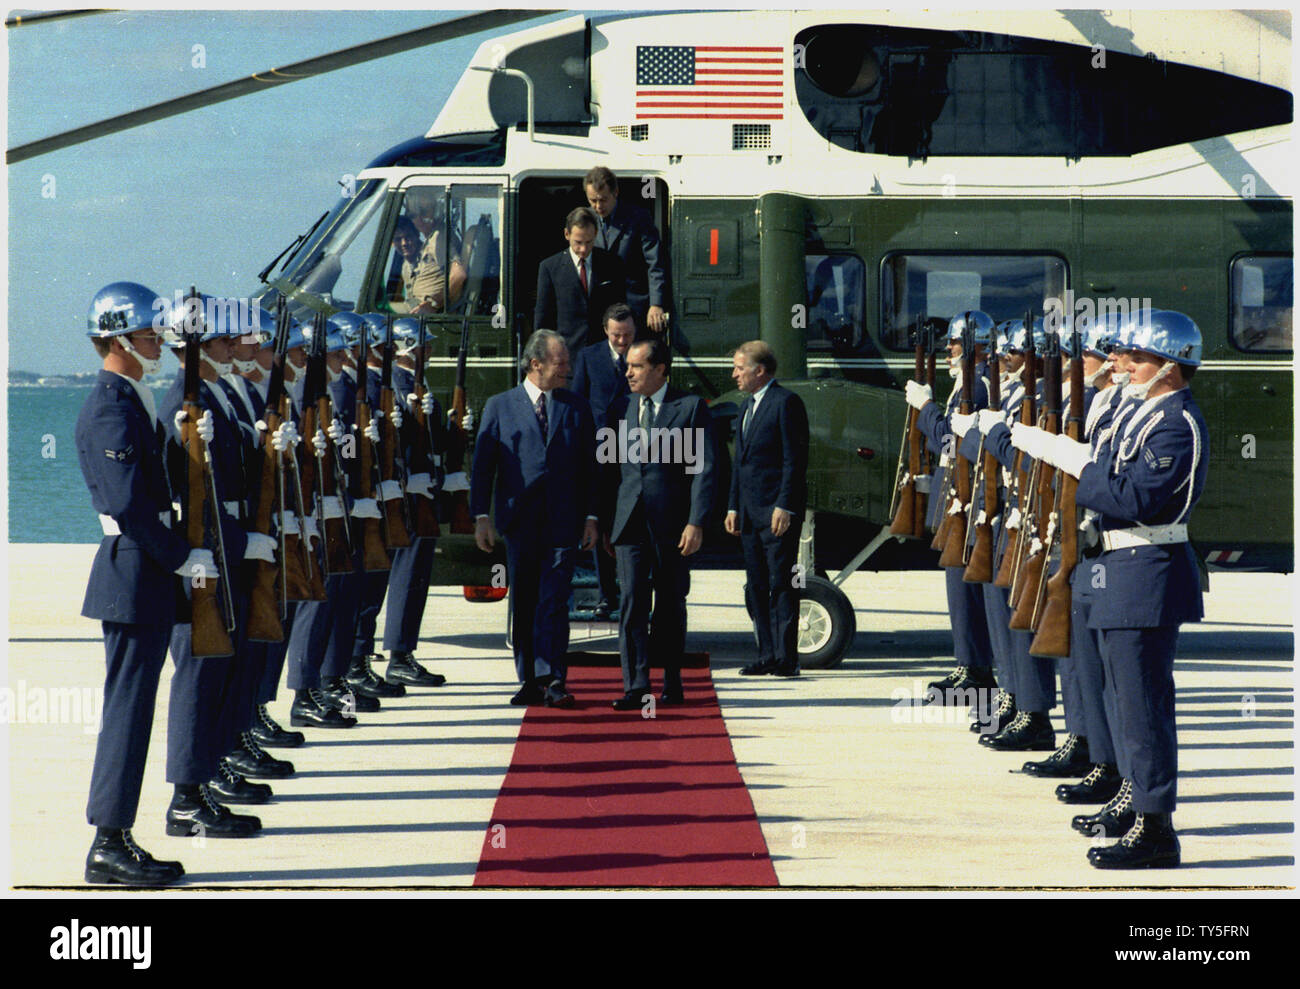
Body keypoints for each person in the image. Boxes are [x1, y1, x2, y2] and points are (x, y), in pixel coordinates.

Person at [1017, 308, 1208, 869]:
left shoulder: (1176, 423)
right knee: (1116, 698)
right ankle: (1135, 802)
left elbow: (1136, 499)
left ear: (1171, 368)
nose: (1128, 366)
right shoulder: (1143, 413)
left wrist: (1077, 465)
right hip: (1115, 566)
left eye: (1141, 358)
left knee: (1143, 706)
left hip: (1145, 569)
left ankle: (1156, 829)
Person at [77, 282, 192, 884]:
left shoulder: (133, 398)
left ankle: (117, 836)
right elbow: (127, 504)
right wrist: (180, 555)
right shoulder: (109, 404)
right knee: (127, 711)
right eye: (149, 336)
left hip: (142, 572)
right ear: (119, 337)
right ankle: (108, 843)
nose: (157, 345)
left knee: (136, 709)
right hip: (132, 570)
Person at [470, 330, 599, 708]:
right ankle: (528, 679)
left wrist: (591, 516)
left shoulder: (577, 407)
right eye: (561, 363)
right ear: (536, 363)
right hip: (519, 520)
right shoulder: (499, 405)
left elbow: (591, 468)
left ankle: (555, 678)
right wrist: (481, 516)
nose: (568, 370)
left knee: (556, 600)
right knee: (524, 600)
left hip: (563, 519)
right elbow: (483, 467)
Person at [604, 337, 716, 708]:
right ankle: (635, 685)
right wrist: (604, 520)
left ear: (660, 369)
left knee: (670, 603)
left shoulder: (690, 407)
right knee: (633, 601)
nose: (628, 372)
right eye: (628, 365)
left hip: (673, 525)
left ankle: (672, 679)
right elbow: (608, 470)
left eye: (636, 366)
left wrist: (696, 521)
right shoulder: (620, 407)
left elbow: (704, 468)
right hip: (629, 522)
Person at [907, 312, 998, 707]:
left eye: (956, 343)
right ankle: (969, 665)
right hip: (955, 489)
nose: (949, 349)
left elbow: (949, 442)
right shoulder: (967, 382)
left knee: (966, 587)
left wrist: (926, 408)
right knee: (958, 586)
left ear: (978, 347)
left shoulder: (976, 385)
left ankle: (977, 669)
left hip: (966, 492)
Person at [726, 340, 809, 677]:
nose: (734, 375)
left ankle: (786, 657)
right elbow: (739, 464)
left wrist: (785, 505)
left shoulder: (786, 403)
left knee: (782, 584)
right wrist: (732, 506)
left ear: (759, 371)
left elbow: (795, 460)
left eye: (739, 368)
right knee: (756, 586)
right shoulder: (746, 407)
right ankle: (766, 654)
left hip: (776, 512)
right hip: (748, 513)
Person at [377, 316, 449, 687]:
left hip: (423, 490)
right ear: (408, 348)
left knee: (416, 575)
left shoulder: (416, 385)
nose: (431, 351)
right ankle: (399, 654)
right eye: (425, 345)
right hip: (407, 496)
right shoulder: (396, 385)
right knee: (407, 575)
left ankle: (403, 651)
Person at [571, 303, 636, 616]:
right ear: (606, 332)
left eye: (627, 335)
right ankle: (607, 594)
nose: (622, 341)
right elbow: (579, 401)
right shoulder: (589, 356)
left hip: (633, 448)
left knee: (630, 523)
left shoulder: (644, 354)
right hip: (600, 449)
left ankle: (633, 593)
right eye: (616, 335)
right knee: (599, 520)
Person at [584, 166, 669, 334]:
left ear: (616, 193)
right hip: (597, 310)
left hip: (635, 307)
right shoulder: (584, 219)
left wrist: (656, 304)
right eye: (593, 200)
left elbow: (655, 262)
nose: (598, 206)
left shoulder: (638, 217)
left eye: (603, 200)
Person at [534, 207, 626, 355]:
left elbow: (620, 309)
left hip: (603, 353)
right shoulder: (549, 268)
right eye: (578, 242)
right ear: (566, 234)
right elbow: (543, 319)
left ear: (596, 234)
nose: (583, 249)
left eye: (589, 242)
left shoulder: (612, 264)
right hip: (565, 357)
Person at [404, 188, 468, 314]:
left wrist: (433, 304)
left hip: (426, 313)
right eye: (413, 214)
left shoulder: (439, 238)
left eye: (424, 212)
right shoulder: (432, 238)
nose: (419, 219)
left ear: (437, 211)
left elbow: (459, 274)